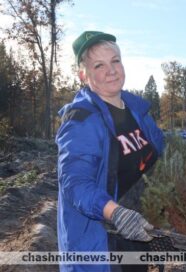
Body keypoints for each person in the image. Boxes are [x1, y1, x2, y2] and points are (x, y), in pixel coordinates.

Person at [56, 30, 165, 272]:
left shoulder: (136, 109)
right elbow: (75, 184)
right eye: (99, 65)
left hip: (136, 232)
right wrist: (116, 213)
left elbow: (159, 144)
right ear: (83, 74)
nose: (111, 70)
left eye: (115, 60)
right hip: (102, 244)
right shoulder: (81, 121)